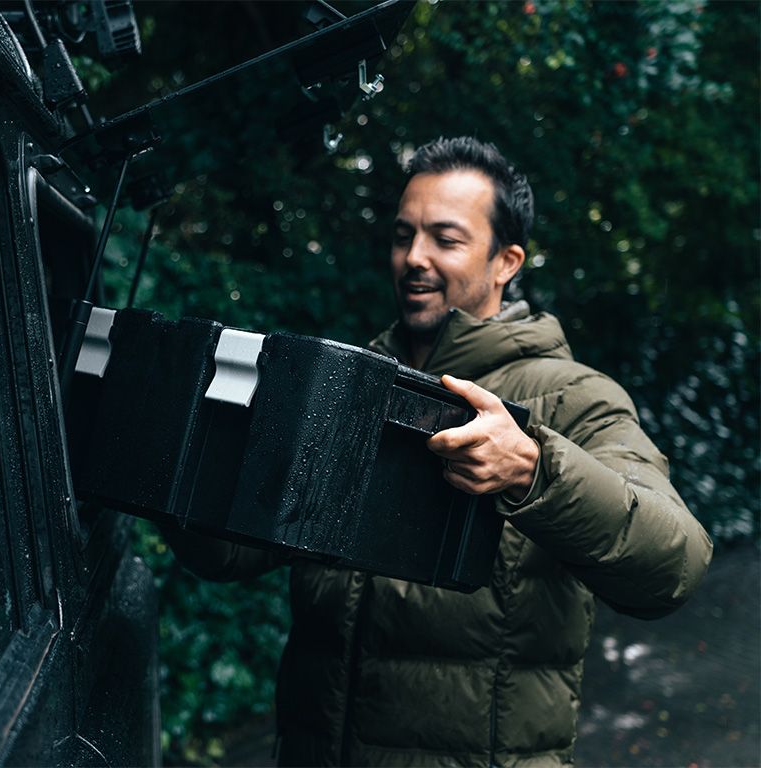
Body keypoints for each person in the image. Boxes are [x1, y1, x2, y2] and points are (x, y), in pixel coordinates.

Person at [164, 136, 713, 767]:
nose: (414, 258)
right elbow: (233, 551)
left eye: (445, 240)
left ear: (506, 261)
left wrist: (534, 471)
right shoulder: (351, 383)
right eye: (404, 236)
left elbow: (677, 565)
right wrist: (171, 464)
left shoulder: (572, 397)